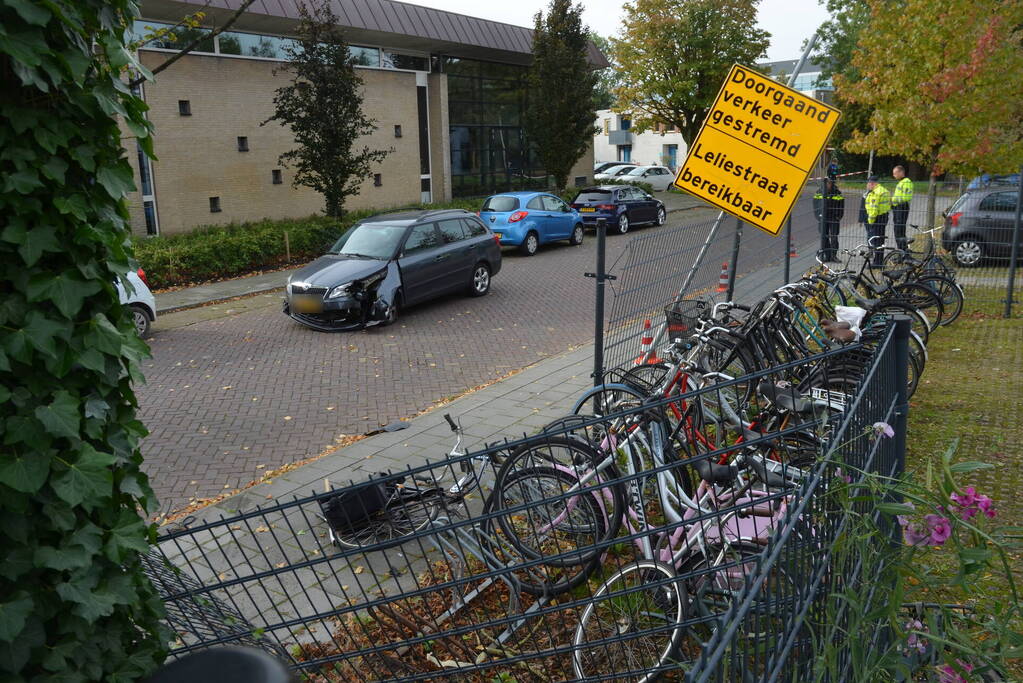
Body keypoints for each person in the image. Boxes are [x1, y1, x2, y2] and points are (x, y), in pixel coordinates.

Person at [812, 178, 845, 261]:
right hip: (823, 218)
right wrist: (818, 216)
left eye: (830, 183)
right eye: (827, 183)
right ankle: (827, 255)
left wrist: (839, 216)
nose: (828, 185)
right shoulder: (819, 192)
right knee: (824, 237)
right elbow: (815, 205)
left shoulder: (837, 192)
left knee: (834, 237)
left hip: (834, 218)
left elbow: (841, 205)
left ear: (832, 183)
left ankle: (833, 256)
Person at [864, 175, 891, 266]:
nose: (867, 185)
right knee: (880, 240)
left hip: (877, 219)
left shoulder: (876, 193)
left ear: (872, 183)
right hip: (884, 217)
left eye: (868, 183)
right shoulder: (884, 190)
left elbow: (873, 210)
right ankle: (879, 261)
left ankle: (877, 263)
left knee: (876, 241)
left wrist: (870, 222)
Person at [891, 165, 913, 252]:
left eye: (895, 173)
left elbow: (906, 197)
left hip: (902, 207)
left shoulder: (907, 182)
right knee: (897, 230)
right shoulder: (901, 182)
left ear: (901, 172)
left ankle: (903, 251)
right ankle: (902, 251)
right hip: (897, 208)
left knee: (899, 230)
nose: (894, 175)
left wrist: (892, 199)